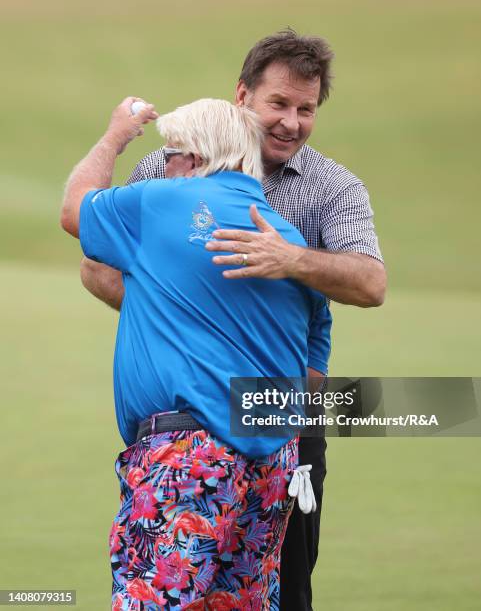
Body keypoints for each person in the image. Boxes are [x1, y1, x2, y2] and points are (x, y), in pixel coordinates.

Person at [80, 30, 386, 610]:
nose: (291, 122)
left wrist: (292, 259)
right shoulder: (171, 166)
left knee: (283, 589)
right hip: (192, 412)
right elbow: (97, 262)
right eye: (279, 104)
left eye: (306, 109)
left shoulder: (331, 187)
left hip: (282, 415)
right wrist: (199, 321)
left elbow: (369, 284)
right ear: (243, 96)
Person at [60, 97, 332, 610]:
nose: (163, 165)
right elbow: (313, 365)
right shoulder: (288, 239)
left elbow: (75, 209)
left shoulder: (166, 200)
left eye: (168, 154)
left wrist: (116, 134)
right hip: (273, 466)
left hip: (184, 462)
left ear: (192, 158)